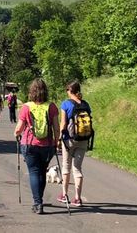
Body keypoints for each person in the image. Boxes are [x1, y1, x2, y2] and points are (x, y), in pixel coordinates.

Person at [14, 78, 59, 214]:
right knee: (42, 172)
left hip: (29, 144)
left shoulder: (26, 107)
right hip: (47, 145)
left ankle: (38, 203)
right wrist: (56, 142)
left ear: (31, 91)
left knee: (34, 172)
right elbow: (56, 128)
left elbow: (19, 129)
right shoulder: (51, 106)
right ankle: (39, 200)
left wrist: (16, 133)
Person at [57, 80, 92, 207]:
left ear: (69, 91)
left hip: (69, 139)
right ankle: (77, 198)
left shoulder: (66, 104)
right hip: (83, 139)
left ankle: (64, 195)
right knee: (77, 169)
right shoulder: (86, 104)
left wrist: (59, 138)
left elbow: (63, 124)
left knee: (66, 167)